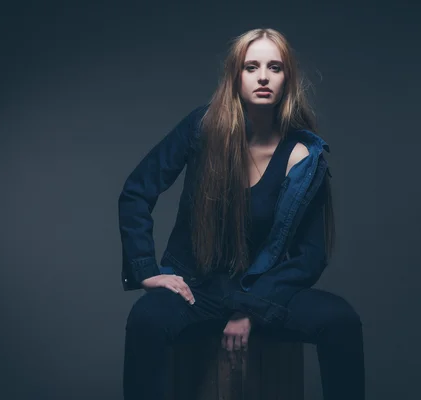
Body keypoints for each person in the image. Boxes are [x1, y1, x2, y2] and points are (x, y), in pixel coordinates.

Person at [118, 28, 365, 400]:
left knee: (340, 321)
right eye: (252, 67)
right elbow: (136, 192)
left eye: (274, 67)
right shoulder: (201, 128)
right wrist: (146, 271)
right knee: (146, 321)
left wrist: (250, 309)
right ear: (236, 76)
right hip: (195, 290)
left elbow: (311, 255)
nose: (263, 76)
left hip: (263, 293)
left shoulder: (304, 158)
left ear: (288, 79)